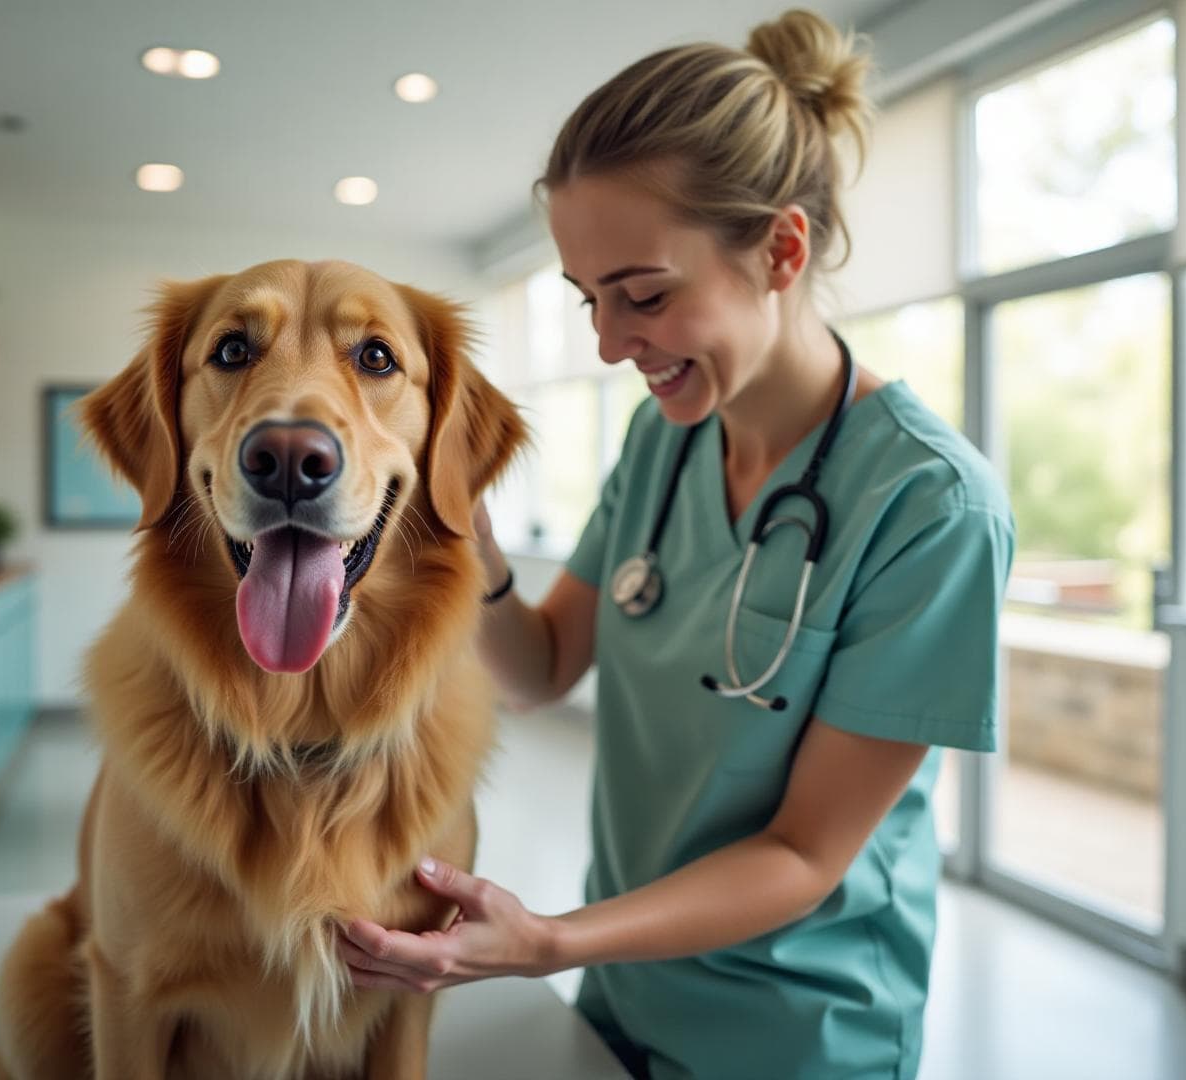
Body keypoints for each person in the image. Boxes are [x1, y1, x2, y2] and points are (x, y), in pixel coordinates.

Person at [340, 9, 1015, 1077]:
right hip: (625, 988)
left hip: (803, 1033)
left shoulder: (932, 506)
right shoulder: (666, 439)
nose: (611, 345)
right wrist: (464, 536)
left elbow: (803, 853)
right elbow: (543, 667)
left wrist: (547, 941)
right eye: (589, 301)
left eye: (644, 296)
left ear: (782, 249)